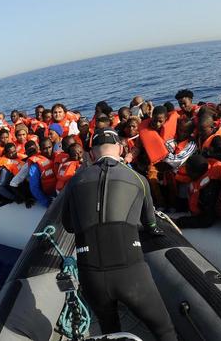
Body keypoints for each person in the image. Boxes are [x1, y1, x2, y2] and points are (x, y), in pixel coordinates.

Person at [61, 128, 176, 341]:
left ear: (91, 154)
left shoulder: (75, 181)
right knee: (164, 330)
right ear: (121, 149)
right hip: (131, 272)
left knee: (110, 330)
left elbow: (68, 226)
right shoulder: (138, 179)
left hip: (91, 274)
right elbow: (150, 222)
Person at [176, 154, 221, 228]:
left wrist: (179, 222)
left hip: (209, 217)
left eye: (190, 172)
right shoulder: (199, 173)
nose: (187, 174)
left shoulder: (210, 188)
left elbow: (207, 220)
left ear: (198, 173)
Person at [26, 138, 58, 207]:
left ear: (52, 146)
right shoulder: (35, 165)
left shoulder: (58, 157)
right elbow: (34, 187)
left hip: (61, 192)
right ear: (40, 149)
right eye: (44, 149)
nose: (48, 151)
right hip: (50, 196)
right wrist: (46, 202)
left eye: (49, 147)